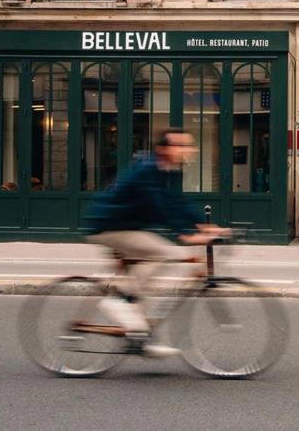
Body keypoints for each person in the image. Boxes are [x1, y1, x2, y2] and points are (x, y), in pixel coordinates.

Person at [83, 128, 229, 356]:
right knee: (165, 253)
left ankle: (139, 337)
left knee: (148, 279)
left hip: (128, 226)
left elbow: (176, 202)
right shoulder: (148, 169)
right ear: (163, 149)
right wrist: (185, 234)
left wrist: (205, 225)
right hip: (110, 225)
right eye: (181, 145)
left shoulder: (168, 171)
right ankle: (120, 300)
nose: (189, 149)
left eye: (189, 145)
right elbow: (159, 206)